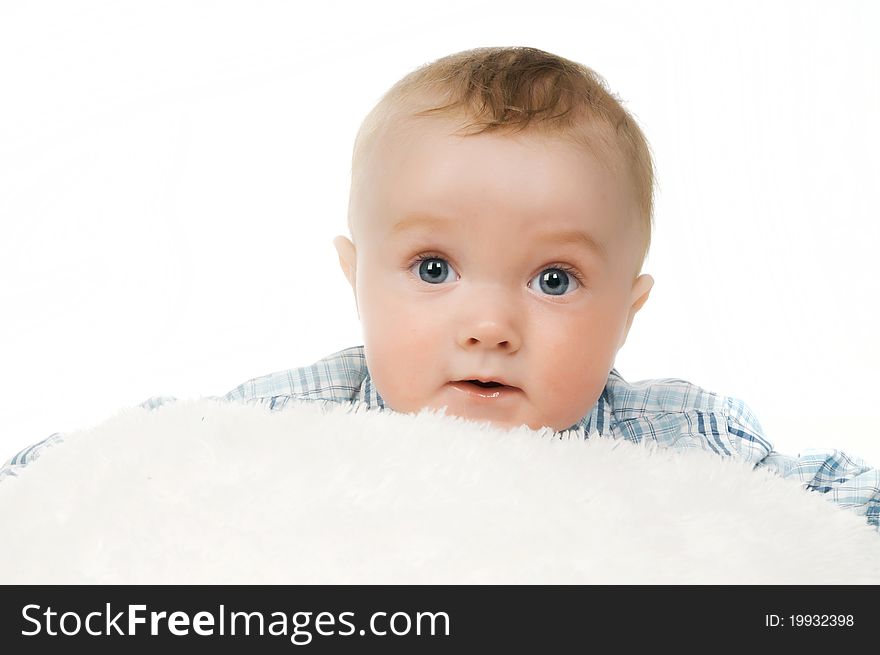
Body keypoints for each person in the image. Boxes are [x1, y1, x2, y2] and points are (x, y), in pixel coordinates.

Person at [2, 47, 877, 533]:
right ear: (357, 280)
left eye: (554, 279)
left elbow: (837, 505)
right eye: (433, 269)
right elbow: (123, 461)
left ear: (628, 315)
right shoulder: (303, 418)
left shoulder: (684, 436)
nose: (490, 325)